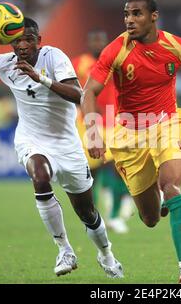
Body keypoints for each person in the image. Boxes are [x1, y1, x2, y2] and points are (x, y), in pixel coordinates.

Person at [81, 0, 181, 284]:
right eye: (126, 15)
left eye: (137, 14)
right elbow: (89, 92)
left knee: (171, 186)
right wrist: (93, 132)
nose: (129, 20)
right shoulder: (116, 49)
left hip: (168, 123)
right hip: (129, 133)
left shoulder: (179, 46)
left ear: (154, 16)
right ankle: (157, 189)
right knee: (150, 218)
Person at [0, 17, 123, 278]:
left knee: (87, 212)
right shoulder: (4, 63)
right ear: (10, 42)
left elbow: (77, 94)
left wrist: (40, 78)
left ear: (39, 41)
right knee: (40, 177)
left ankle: (106, 254)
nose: (23, 45)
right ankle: (64, 249)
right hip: (31, 138)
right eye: (17, 40)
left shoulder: (54, 58)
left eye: (29, 39)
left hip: (66, 143)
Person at [72, 29, 132, 234]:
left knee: (117, 169)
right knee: (91, 174)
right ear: (89, 43)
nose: (97, 44)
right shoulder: (79, 63)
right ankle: (92, 217)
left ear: (106, 42)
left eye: (100, 40)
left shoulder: (117, 63)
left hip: (114, 121)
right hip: (88, 123)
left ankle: (115, 216)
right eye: (94, 40)